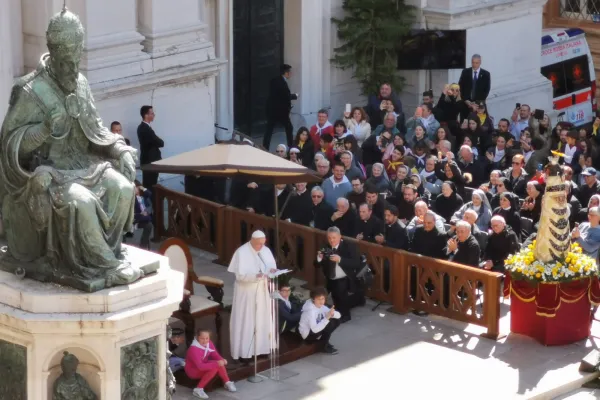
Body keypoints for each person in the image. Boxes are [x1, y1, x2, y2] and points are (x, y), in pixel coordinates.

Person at [0, 8, 142, 286]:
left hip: (85, 165)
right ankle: (105, 265)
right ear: (52, 51)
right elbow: (10, 145)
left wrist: (119, 150)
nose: (73, 65)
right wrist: (42, 131)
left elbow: (96, 131)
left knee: (123, 189)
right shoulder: (29, 90)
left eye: (76, 55)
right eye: (66, 58)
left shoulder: (81, 83)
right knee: (83, 203)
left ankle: (103, 253)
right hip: (50, 174)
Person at [227, 230, 276, 361]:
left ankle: (261, 348)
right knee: (247, 320)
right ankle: (245, 352)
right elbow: (239, 276)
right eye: (259, 244)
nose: (261, 246)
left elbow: (271, 267)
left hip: (262, 290)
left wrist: (272, 271)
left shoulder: (265, 250)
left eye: (263, 243)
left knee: (261, 318)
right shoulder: (241, 252)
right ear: (252, 240)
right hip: (246, 292)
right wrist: (255, 276)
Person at [317, 227, 361, 322]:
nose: (331, 240)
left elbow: (356, 263)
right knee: (334, 297)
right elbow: (316, 264)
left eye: (334, 237)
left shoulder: (349, 246)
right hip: (330, 277)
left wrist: (340, 260)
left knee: (341, 297)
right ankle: (337, 312)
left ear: (340, 236)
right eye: (329, 238)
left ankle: (345, 316)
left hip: (344, 278)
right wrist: (319, 258)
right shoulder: (325, 247)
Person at [184, 329, 237, 399]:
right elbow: (200, 366)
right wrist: (217, 363)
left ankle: (227, 382)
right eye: (202, 338)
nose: (205, 340)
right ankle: (198, 389)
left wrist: (222, 360)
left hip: (203, 365)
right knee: (215, 366)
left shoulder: (209, 343)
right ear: (197, 338)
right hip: (193, 371)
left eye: (207, 338)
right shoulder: (193, 349)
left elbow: (214, 354)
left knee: (218, 364)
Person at [263, 64, 298, 150]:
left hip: (272, 110)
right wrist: (295, 95)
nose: (291, 73)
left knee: (269, 129)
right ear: (286, 73)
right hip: (280, 111)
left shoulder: (274, 80)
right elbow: (285, 96)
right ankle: (291, 146)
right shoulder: (281, 83)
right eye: (290, 72)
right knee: (289, 127)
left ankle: (265, 146)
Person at [299, 287, 342, 354]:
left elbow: (339, 315)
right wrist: (326, 318)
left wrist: (332, 313)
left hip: (315, 329)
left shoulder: (321, 306)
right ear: (313, 299)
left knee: (336, 320)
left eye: (323, 298)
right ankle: (323, 346)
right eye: (319, 299)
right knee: (329, 323)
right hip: (308, 334)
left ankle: (324, 342)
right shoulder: (310, 311)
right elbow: (314, 329)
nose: (321, 301)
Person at [138, 105, 164, 189]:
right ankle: (152, 202)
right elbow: (159, 142)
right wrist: (160, 141)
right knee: (150, 186)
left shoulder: (144, 127)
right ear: (146, 115)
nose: (154, 115)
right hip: (150, 162)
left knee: (150, 184)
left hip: (149, 162)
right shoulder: (145, 128)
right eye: (152, 113)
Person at [458, 54, 491, 120]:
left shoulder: (486, 74)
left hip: (478, 106)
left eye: (476, 63)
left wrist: (476, 103)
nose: (474, 65)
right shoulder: (465, 72)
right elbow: (460, 87)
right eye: (473, 62)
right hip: (465, 105)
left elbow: (486, 90)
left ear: (480, 62)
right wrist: (466, 100)